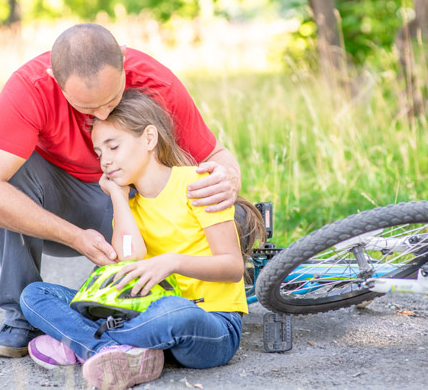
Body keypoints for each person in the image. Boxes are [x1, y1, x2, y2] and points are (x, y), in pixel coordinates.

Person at [0, 23, 243, 358]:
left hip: (139, 216)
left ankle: (96, 340)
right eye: (87, 108)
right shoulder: (31, 88)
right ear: (54, 78)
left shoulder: (158, 84)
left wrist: (227, 180)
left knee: (182, 294)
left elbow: (215, 157)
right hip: (69, 206)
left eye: (111, 99)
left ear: (124, 60)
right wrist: (76, 235)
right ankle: (34, 324)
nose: (103, 114)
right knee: (8, 198)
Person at [20, 89, 266, 389]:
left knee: (174, 311)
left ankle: (85, 343)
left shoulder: (197, 184)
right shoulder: (128, 205)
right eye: (99, 153)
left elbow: (232, 267)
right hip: (142, 313)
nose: (105, 162)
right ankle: (113, 351)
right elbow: (129, 261)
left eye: (113, 147)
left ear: (149, 139)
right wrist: (119, 199)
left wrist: (171, 262)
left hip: (209, 322)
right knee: (34, 296)